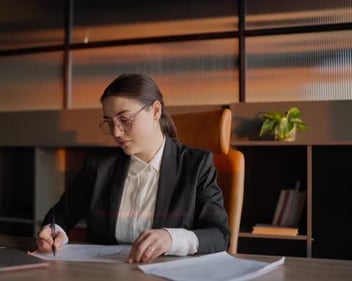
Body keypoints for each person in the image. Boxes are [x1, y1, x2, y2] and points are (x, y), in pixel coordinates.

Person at [36, 73, 230, 263]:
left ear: (155, 111)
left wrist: (171, 238)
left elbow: (219, 234)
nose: (116, 132)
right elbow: (61, 214)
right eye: (110, 123)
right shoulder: (99, 166)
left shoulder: (196, 166)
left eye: (125, 120)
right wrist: (55, 232)